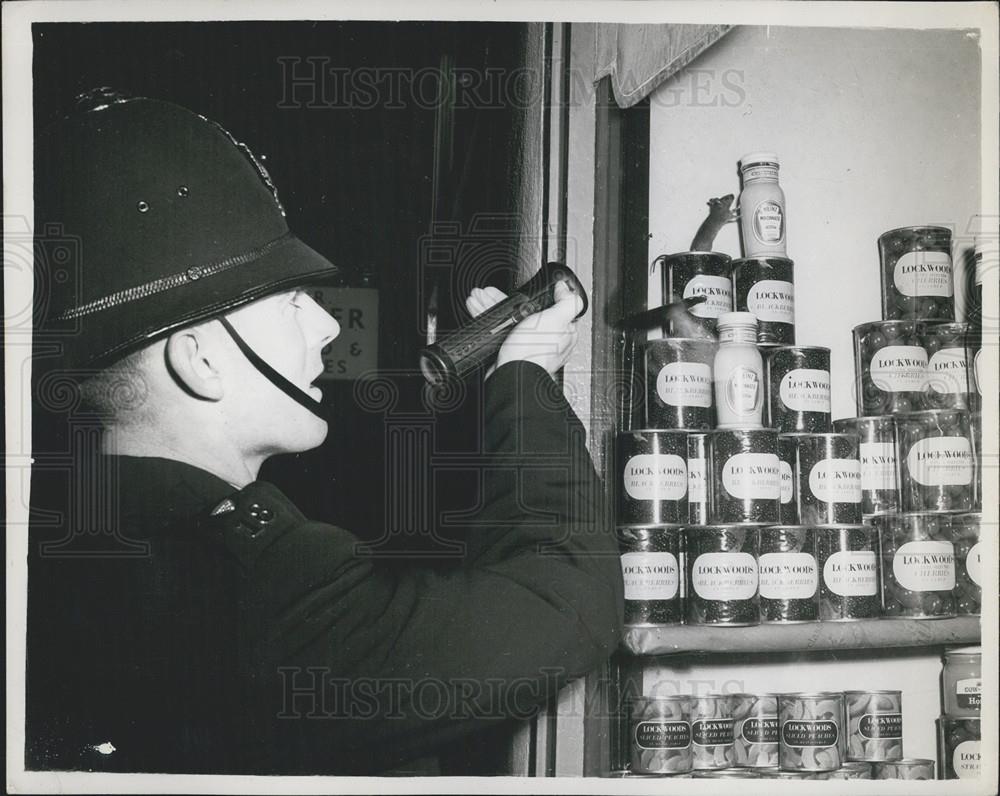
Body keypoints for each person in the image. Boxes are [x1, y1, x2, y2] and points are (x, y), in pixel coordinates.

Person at [26, 91, 623, 775]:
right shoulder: (255, 592)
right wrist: (524, 375)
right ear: (201, 359)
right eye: (292, 300)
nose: (330, 326)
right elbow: (565, 600)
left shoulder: (77, 556)